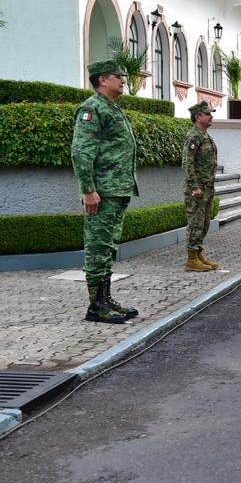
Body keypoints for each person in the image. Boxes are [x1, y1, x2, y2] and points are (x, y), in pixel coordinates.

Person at [71, 59, 140, 324]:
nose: (123, 79)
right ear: (102, 80)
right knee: (98, 246)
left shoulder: (112, 107)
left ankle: (106, 298)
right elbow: (81, 151)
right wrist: (88, 190)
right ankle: (95, 306)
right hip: (103, 190)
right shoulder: (91, 108)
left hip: (117, 189)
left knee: (108, 245)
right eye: (117, 76)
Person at [182, 101, 219, 272]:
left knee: (204, 223)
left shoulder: (205, 136)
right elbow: (187, 162)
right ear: (198, 117)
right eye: (208, 114)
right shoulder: (194, 136)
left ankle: (198, 254)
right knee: (196, 223)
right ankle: (191, 259)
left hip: (207, 187)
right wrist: (194, 186)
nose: (211, 116)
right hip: (197, 189)